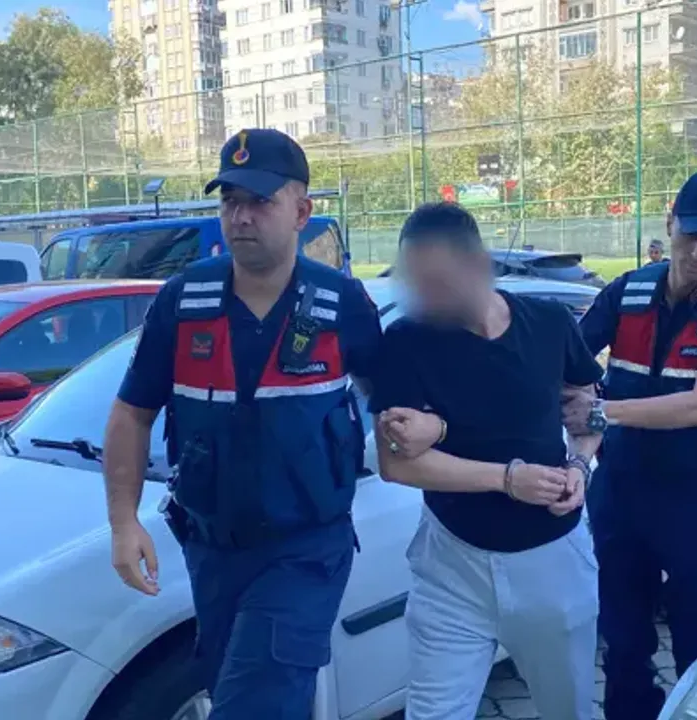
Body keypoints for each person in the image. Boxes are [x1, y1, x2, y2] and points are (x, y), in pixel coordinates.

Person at [101, 128, 383, 719]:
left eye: (260, 201)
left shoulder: (342, 303)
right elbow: (131, 412)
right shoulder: (183, 301)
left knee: (253, 704)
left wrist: (422, 429)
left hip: (305, 549)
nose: (241, 216)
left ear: (301, 212)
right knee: (246, 690)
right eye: (230, 201)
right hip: (212, 551)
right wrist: (123, 523)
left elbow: (394, 400)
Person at [369, 202, 606, 720]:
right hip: (451, 567)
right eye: (416, 282)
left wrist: (579, 465)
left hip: (553, 564)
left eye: (436, 282)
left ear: (477, 265)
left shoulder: (548, 323)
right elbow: (397, 465)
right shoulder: (407, 341)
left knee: (568, 710)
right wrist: (507, 479)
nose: (424, 297)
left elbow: (587, 412)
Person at [563, 170, 697, 720]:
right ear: (669, 222)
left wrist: (602, 413)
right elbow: (569, 359)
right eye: (691, 234)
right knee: (622, 640)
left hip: (693, 498)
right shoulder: (627, 291)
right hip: (620, 490)